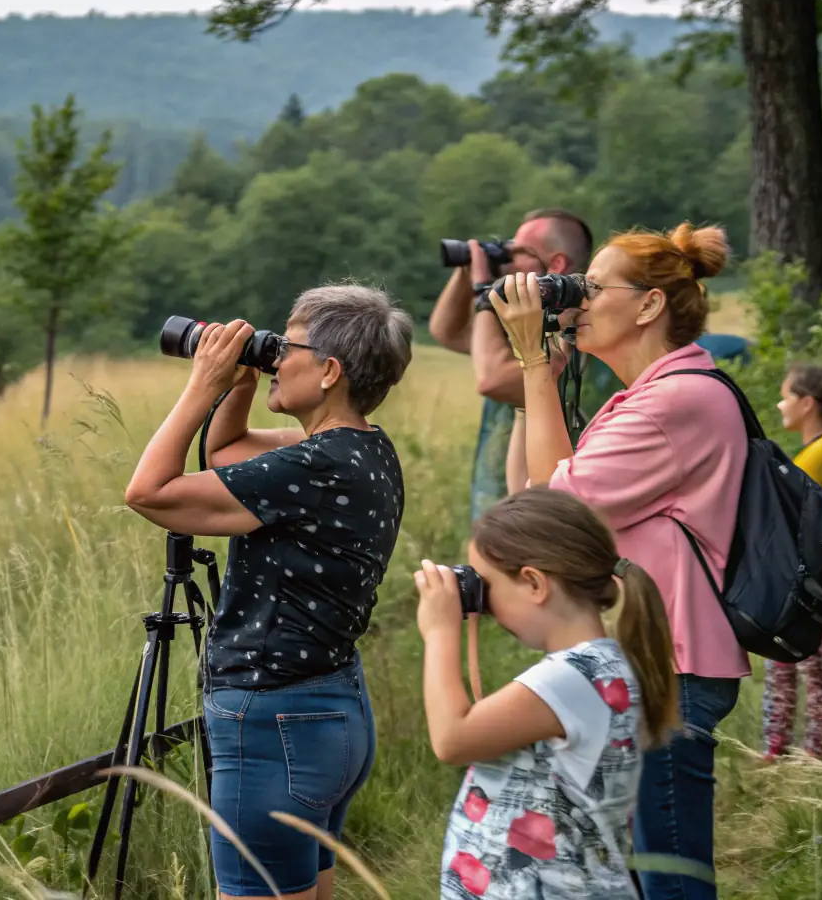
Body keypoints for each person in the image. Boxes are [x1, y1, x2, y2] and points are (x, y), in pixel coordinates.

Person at [123, 284, 414, 900]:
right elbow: (227, 453)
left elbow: (148, 492)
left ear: (330, 371)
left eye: (288, 347)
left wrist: (202, 383)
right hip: (331, 712)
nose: (276, 356)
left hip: (274, 719)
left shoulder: (311, 467)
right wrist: (244, 381)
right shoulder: (363, 449)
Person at [489, 222, 749, 900]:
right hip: (651, 661)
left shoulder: (677, 400)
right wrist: (535, 384)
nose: (577, 301)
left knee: (667, 878)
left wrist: (527, 368)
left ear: (648, 305)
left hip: (671, 668)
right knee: (634, 874)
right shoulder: (642, 399)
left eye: (593, 287)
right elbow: (529, 501)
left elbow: (556, 513)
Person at [414, 487, 680, 899]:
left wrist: (440, 632)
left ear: (534, 583)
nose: (487, 605)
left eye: (488, 587)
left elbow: (452, 738)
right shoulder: (600, 668)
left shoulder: (572, 677)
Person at [427, 209, 622, 523]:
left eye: (518, 253)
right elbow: (448, 332)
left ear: (556, 265)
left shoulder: (573, 338)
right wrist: (469, 271)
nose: (509, 262)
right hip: (507, 511)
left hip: (545, 520)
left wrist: (484, 293)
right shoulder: (531, 328)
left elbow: (491, 379)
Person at [762, 362, 822, 761]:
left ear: (808, 403)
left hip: (808, 581)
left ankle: (812, 757)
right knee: (785, 662)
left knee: (809, 666)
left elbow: (782, 512)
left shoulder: (821, 454)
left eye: (787, 396)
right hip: (801, 577)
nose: (780, 403)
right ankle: (778, 746)